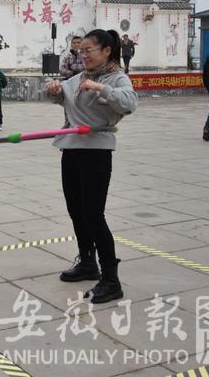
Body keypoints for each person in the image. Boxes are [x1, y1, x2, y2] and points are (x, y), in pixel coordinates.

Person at [46, 29, 137, 304]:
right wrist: (53, 90)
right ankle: (87, 263)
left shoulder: (117, 78)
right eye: (80, 51)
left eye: (88, 50)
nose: (83, 55)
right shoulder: (78, 78)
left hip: (96, 152)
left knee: (94, 215)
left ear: (106, 51)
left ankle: (111, 280)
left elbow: (130, 102)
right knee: (76, 211)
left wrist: (101, 88)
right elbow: (60, 96)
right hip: (71, 149)